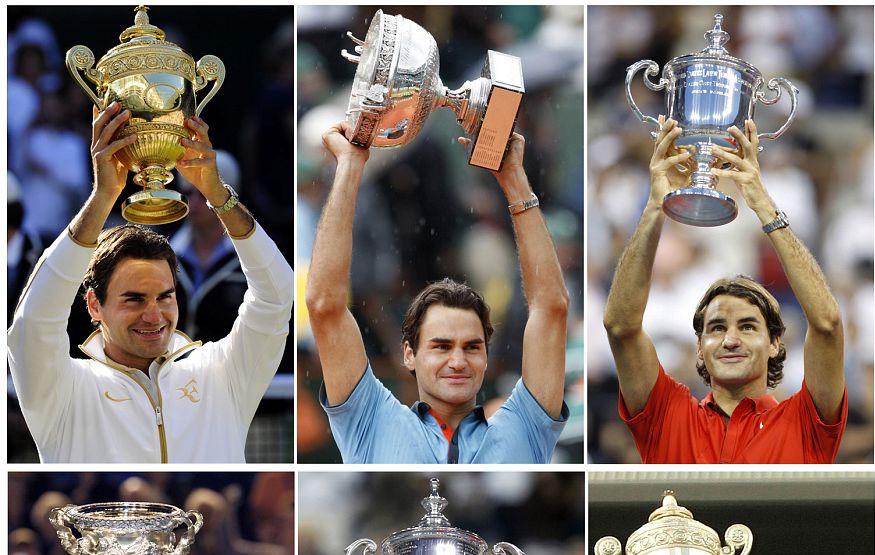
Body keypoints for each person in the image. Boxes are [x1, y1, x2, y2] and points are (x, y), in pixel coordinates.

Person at [8, 102, 292, 463]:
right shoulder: (61, 388)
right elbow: (33, 322)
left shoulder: (222, 372)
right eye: (134, 299)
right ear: (94, 304)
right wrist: (102, 197)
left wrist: (216, 193)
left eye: (165, 296)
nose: (153, 314)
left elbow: (277, 295)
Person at [305, 123, 568, 464]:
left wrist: (514, 179)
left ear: (487, 356)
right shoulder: (370, 420)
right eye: (441, 346)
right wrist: (350, 165)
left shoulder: (527, 424)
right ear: (409, 355)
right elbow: (325, 306)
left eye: (472, 347)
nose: (458, 362)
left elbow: (552, 309)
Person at [603, 117, 847, 464]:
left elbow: (827, 325)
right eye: (717, 328)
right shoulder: (667, 414)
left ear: (775, 344)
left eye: (747, 326)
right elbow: (620, 327)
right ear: (699, 348)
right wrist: (656, 205)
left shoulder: (808, 420)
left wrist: (762, 203)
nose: (730, 339)